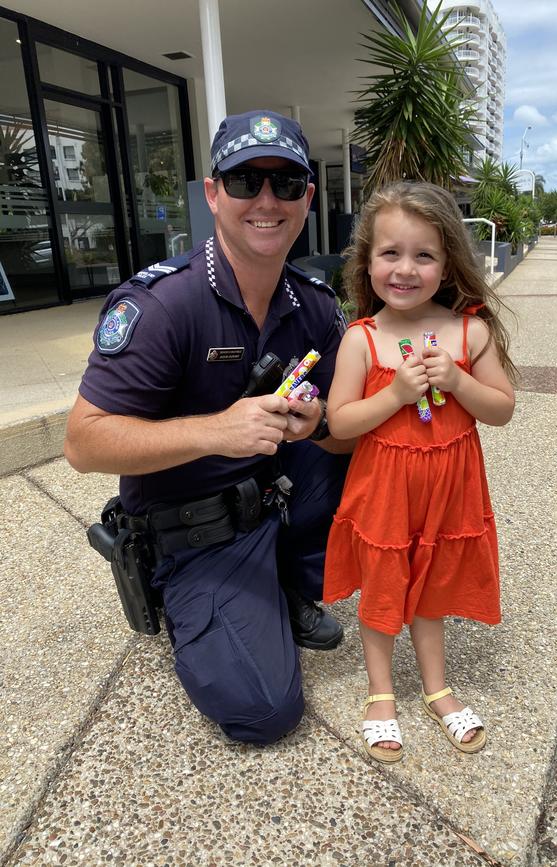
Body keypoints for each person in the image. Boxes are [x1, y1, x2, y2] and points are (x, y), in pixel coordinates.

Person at [64, 109, 354, 746]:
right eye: (246, 180)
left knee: (374, 434)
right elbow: (83, 442)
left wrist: (322, 423)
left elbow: (348, 431)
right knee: (264, 713)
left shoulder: (316, 306)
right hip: (194, 528)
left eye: (286, 182)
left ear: (308, 195)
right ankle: (199, 600)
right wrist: (217, 431)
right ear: (213, 192)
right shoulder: (162, 305)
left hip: (275, 495)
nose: (267, 200)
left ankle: (290, 580)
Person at [322, 182, 516, 763]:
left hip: (448, 492)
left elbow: (502, 409)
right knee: (384, 586)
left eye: (424, 255)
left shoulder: (468, 332)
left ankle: (438, 687)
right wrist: (398, 395)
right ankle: (381, 692)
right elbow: (341, 421)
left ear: (448, 261)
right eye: (390, 253)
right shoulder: (361, 339)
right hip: (384, 490)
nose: (405, 269)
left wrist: (457, 381)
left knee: (431, 588)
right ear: (367, 261)